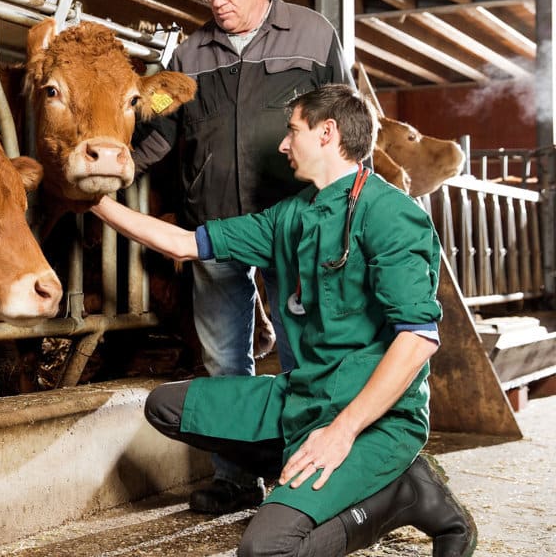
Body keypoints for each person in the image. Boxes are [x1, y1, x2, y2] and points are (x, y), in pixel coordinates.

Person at [92, 84, 476, 557]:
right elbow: (184, 244)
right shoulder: (292, 215)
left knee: (268, 549)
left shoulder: (392, 215)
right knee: (167, 407)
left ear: (327, 133)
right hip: (305, 396)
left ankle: (405, 492)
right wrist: (92, 202)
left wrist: (342, 432)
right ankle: (307, 473)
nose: (282, 143)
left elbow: (417, 340)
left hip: (375, 420)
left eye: (292, 130)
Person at [133, 0, 354, 513]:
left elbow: (346, 126)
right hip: (216, 224)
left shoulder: (312, 34)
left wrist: (342, 211)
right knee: (224, 359)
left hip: (294, 225)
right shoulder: (188, 54)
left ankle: (311, 470)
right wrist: (110, 167)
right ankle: (235, 478)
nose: (218, 0)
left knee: (305, 349)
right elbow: (161, 134)